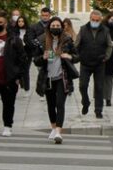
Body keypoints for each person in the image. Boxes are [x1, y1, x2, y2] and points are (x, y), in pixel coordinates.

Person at [34, 16, 77, 144]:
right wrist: (43, 57)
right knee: (51, 104)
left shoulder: (67, 40)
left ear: (62, 27)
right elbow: (36, 60)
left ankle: (58, 132)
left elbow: (77, 56)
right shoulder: (42, 40)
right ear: (49, 27)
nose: (55, 28)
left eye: (58, 26)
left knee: (60, 104)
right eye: (53, 26)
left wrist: (69, 56)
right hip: (47, 78)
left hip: (62, 77)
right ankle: (53, 127)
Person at [75, 10, 113, 119]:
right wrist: (78, 56)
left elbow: (110, 45)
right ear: (90, 19)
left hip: (99, 63)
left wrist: (106, 57)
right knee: (82, 86)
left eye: (97, 20)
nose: (95, 22)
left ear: (100, 20)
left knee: (99, 88)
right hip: (85, 63)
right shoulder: (83, 29)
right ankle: (85, 102)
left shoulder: (105, 30)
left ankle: (98, 110)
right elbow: (76, 44)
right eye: (93, 20)